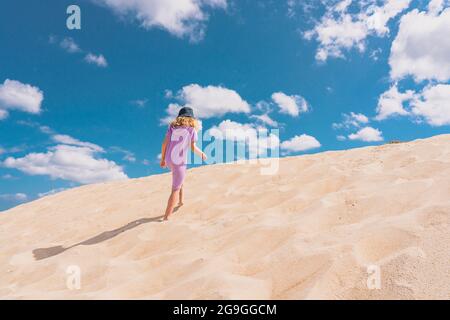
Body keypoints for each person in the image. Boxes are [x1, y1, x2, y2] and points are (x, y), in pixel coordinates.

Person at [160, 107, 207, 221]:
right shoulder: (191, 130)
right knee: (175, 188)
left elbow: (164, 144)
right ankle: (167, 217)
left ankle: (181, 201)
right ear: (191, 118)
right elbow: (192, 147)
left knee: (180, 179)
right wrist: (201, 154)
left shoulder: (172, 127)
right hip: (179, 161)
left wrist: (163, 159)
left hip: (169, 159)